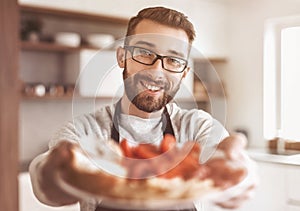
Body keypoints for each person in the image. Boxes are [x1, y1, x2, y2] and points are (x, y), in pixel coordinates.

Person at [29, 6, 257, 211]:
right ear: (122, 57)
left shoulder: (196, 126)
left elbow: (234, 165)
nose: (158, 70)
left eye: (174, 60)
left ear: (184, 73)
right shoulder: (86, 131)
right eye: (145, 53)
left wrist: (239, 174)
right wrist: (51, 175)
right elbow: (45, 181)